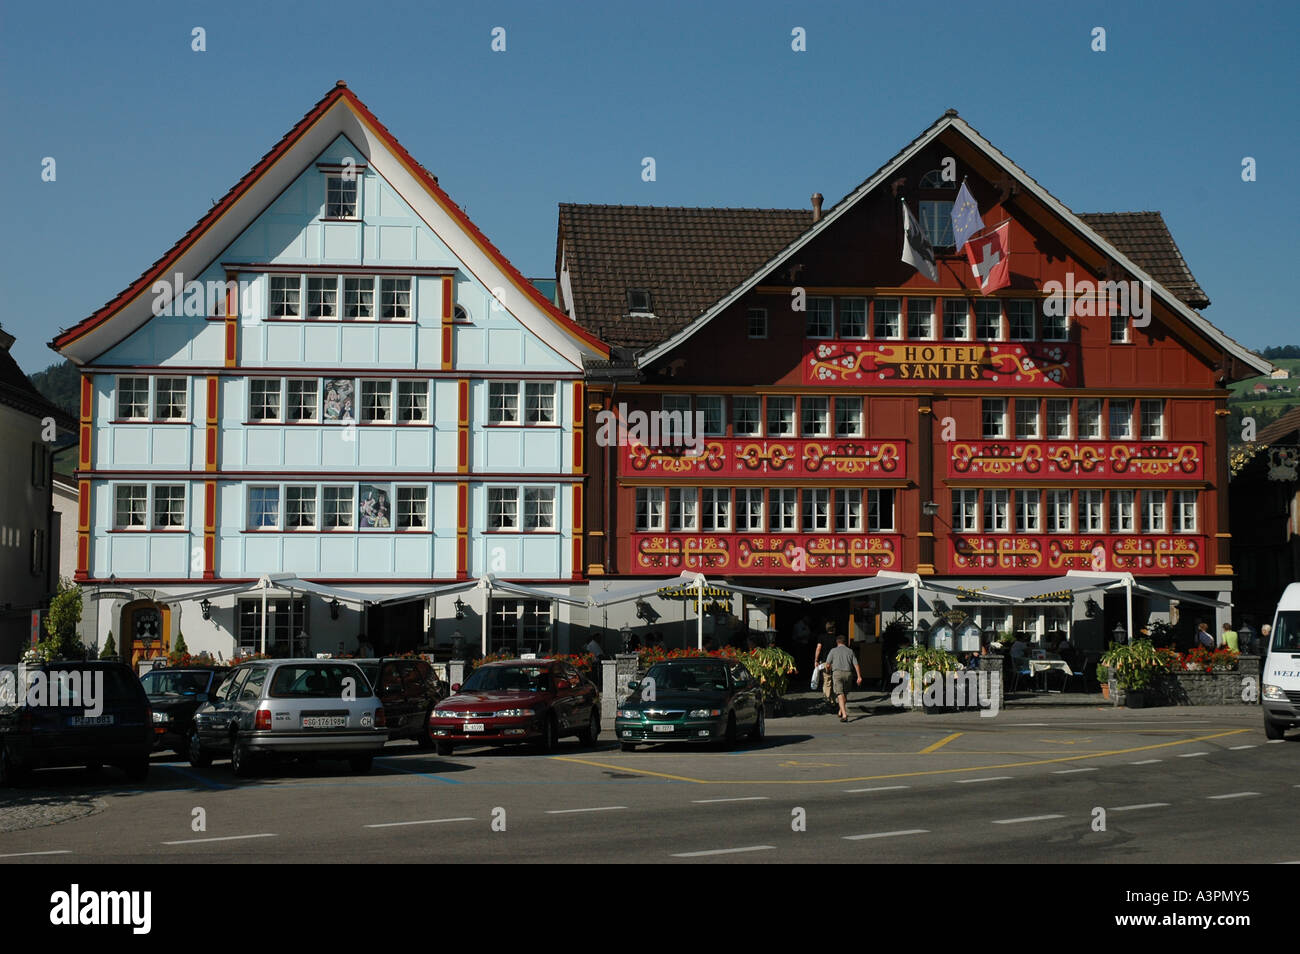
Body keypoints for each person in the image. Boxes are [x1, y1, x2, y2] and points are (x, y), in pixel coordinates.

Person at [825, 634, 862, 722]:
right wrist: (859, 676)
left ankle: (844, 715)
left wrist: (828, 671)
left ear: (837, 642)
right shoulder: (850, 651)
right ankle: (840, 711)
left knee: (840, 694)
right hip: (848, 674)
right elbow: (856, 664)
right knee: (844, 694)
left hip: (837, 673)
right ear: (845, 642)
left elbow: (827, 664)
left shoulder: (833, 651)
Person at [814, 621, 838, 710]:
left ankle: (828, 699)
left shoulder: (821, 637)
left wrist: (816, 660)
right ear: (834, 629)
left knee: (827, 680)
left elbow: (818, 648)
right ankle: (832, 700)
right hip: (835, 662)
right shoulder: (836, 638)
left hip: (825, 662)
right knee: (834, 681)